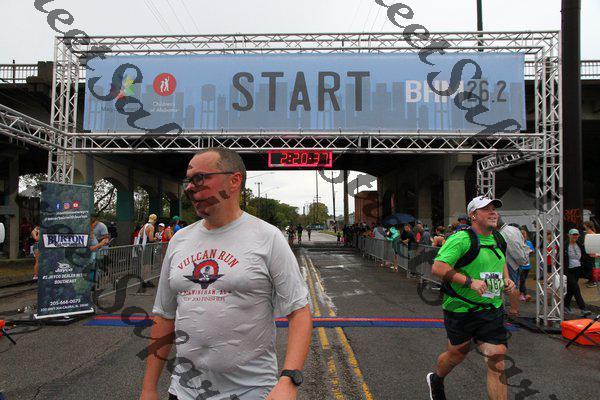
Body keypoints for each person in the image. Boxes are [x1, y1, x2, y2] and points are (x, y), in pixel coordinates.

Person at [142, 147, 311, 400]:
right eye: (189, 180)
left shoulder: (268, 237)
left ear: (234, 181)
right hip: (184, 392)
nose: (190, 187)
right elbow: (164, 317)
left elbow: (299, 312)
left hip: (251, 392)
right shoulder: (179, 240)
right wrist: (148, 389)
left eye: (200, 178)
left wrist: (289, 379)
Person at [427, 196, 515, 400]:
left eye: (494, 209)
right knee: (457, 354)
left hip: (491, 309)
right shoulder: (461, 239)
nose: (493, 212)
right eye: (486, 209)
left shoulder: (498, 238)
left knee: (497, 359)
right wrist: (469, 282)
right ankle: (436, 379)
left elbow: (500, 260)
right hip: (461, 309)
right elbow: (438, 267)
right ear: (473, 215)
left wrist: (507, 279)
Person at [497, 217, 530, 317]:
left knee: (512, 286)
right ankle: (513, 309)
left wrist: (521, 260)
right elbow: (522, 244)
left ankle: (513, 310)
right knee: (514, 285)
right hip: (514, 262)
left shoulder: (506, 232)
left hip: (510, 262)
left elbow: (514, 249)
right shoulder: (513, 229)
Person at [563, 229, 592, 316]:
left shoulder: (579, 245)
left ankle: (565, 305)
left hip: (577, 269)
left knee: (571, 289)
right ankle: (583, 308)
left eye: (576, 235)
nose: (575, 236)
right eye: (573, 234)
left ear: (579, 236)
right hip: (568, 270)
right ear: (569, 235)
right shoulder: (565, 245)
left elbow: (585, 256)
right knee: (576, 288)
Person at [519, 228, 534, 302]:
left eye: (524, 234)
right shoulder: (518, 243)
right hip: (520, 265)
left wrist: (530, 252)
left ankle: (520, 293)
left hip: (527, 265)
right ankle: (524, 294)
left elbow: (532, 252)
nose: (523, 235)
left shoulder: (528, 243)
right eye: (522, 234)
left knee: (523, 280)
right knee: (522, 280)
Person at [582, 221, 598, 288]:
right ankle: (591, 279)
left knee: (591, 267)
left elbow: (595, 244)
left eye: (584, 225)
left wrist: (595, 253)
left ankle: (594, 281)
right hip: (588, 253)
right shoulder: (588, 233)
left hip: (591, 254)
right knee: (588, 267)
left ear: (587, 226)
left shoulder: (592, 234)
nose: (583, 226)